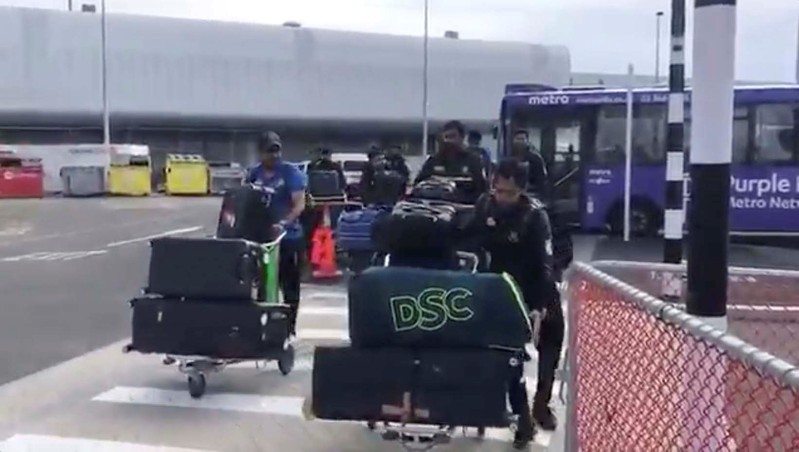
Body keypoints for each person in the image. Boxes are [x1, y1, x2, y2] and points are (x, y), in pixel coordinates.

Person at [463, 158, 561, 448]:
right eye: (497, 190)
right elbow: (468, 237)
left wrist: (540, 307)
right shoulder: (485, 205)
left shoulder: (534, 216)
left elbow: (545, 264)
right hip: (500, 290)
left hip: (536, 289)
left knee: (551, 345)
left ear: (521, 190)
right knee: (511, 358)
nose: (501, 197)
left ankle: (541, 403)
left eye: (508, 192)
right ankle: (523, 421)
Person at [246, 131, 307, 336]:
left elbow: (299, 203)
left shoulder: (290, 173)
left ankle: (289, 327)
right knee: (262, 283)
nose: (274, 156)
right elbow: (245, 200)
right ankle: (261, 326)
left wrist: (284, 223)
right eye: (269, 152)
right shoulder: (254, 173)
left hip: (287, 238)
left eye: (276, 151)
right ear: (260, 153)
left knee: (289, 284)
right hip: (261, 239)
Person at [414, 120, 488, 203]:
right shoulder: (433, 161)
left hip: (464, 208)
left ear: (462, 138)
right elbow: (418, 186)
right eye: (446, 137)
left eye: (452, 136)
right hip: (435, 208)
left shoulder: (473, 161)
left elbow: (482, 192)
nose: (448, 141)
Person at [510, 129, 551, 204]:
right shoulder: (509, 156)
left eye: (522, 139)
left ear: (527, 141)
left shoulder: (535, 158)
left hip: (531, 196)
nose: (520, 142)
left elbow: (541, 181)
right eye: (517, 139)